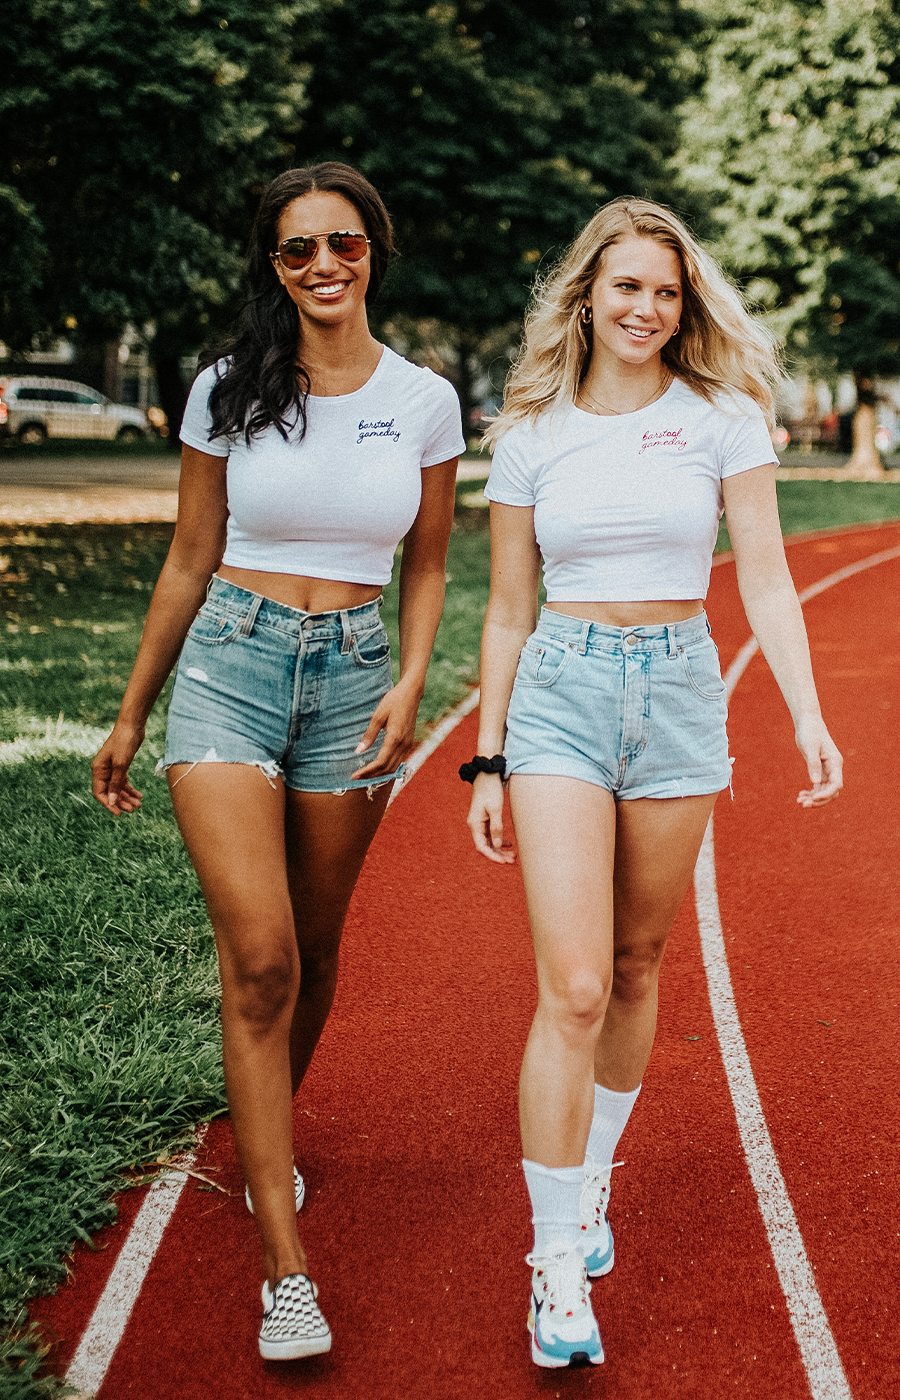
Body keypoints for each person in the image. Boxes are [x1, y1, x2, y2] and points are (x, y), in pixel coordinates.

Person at [91, 163, 464, 1360]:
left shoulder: (424, 400)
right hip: (231, 666)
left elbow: (432, 565)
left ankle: (266, 1132)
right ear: (273, 263)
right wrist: (133, 712)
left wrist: (413, 678)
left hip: (357, 677)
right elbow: (189, 555)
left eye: (342, 244)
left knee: (310, 945)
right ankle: (282, 1264)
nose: (321, 267)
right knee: (257, 958)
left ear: (374, 251)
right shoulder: (226, 389)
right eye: (297, 249)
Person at [463, 197, 842, 1369]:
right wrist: (485, 751)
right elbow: (509, 606)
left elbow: (769, 582)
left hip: (679, 688)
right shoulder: (529, 432)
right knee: (572, 984)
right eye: (627, 285)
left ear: (687, 307)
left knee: (635, 965)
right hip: (563, 691)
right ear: (587, 294)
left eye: (667, 291)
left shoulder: (723, 417)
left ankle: (591, 1189)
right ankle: (552, 1260)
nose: (647, 308)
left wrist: (807, 710)